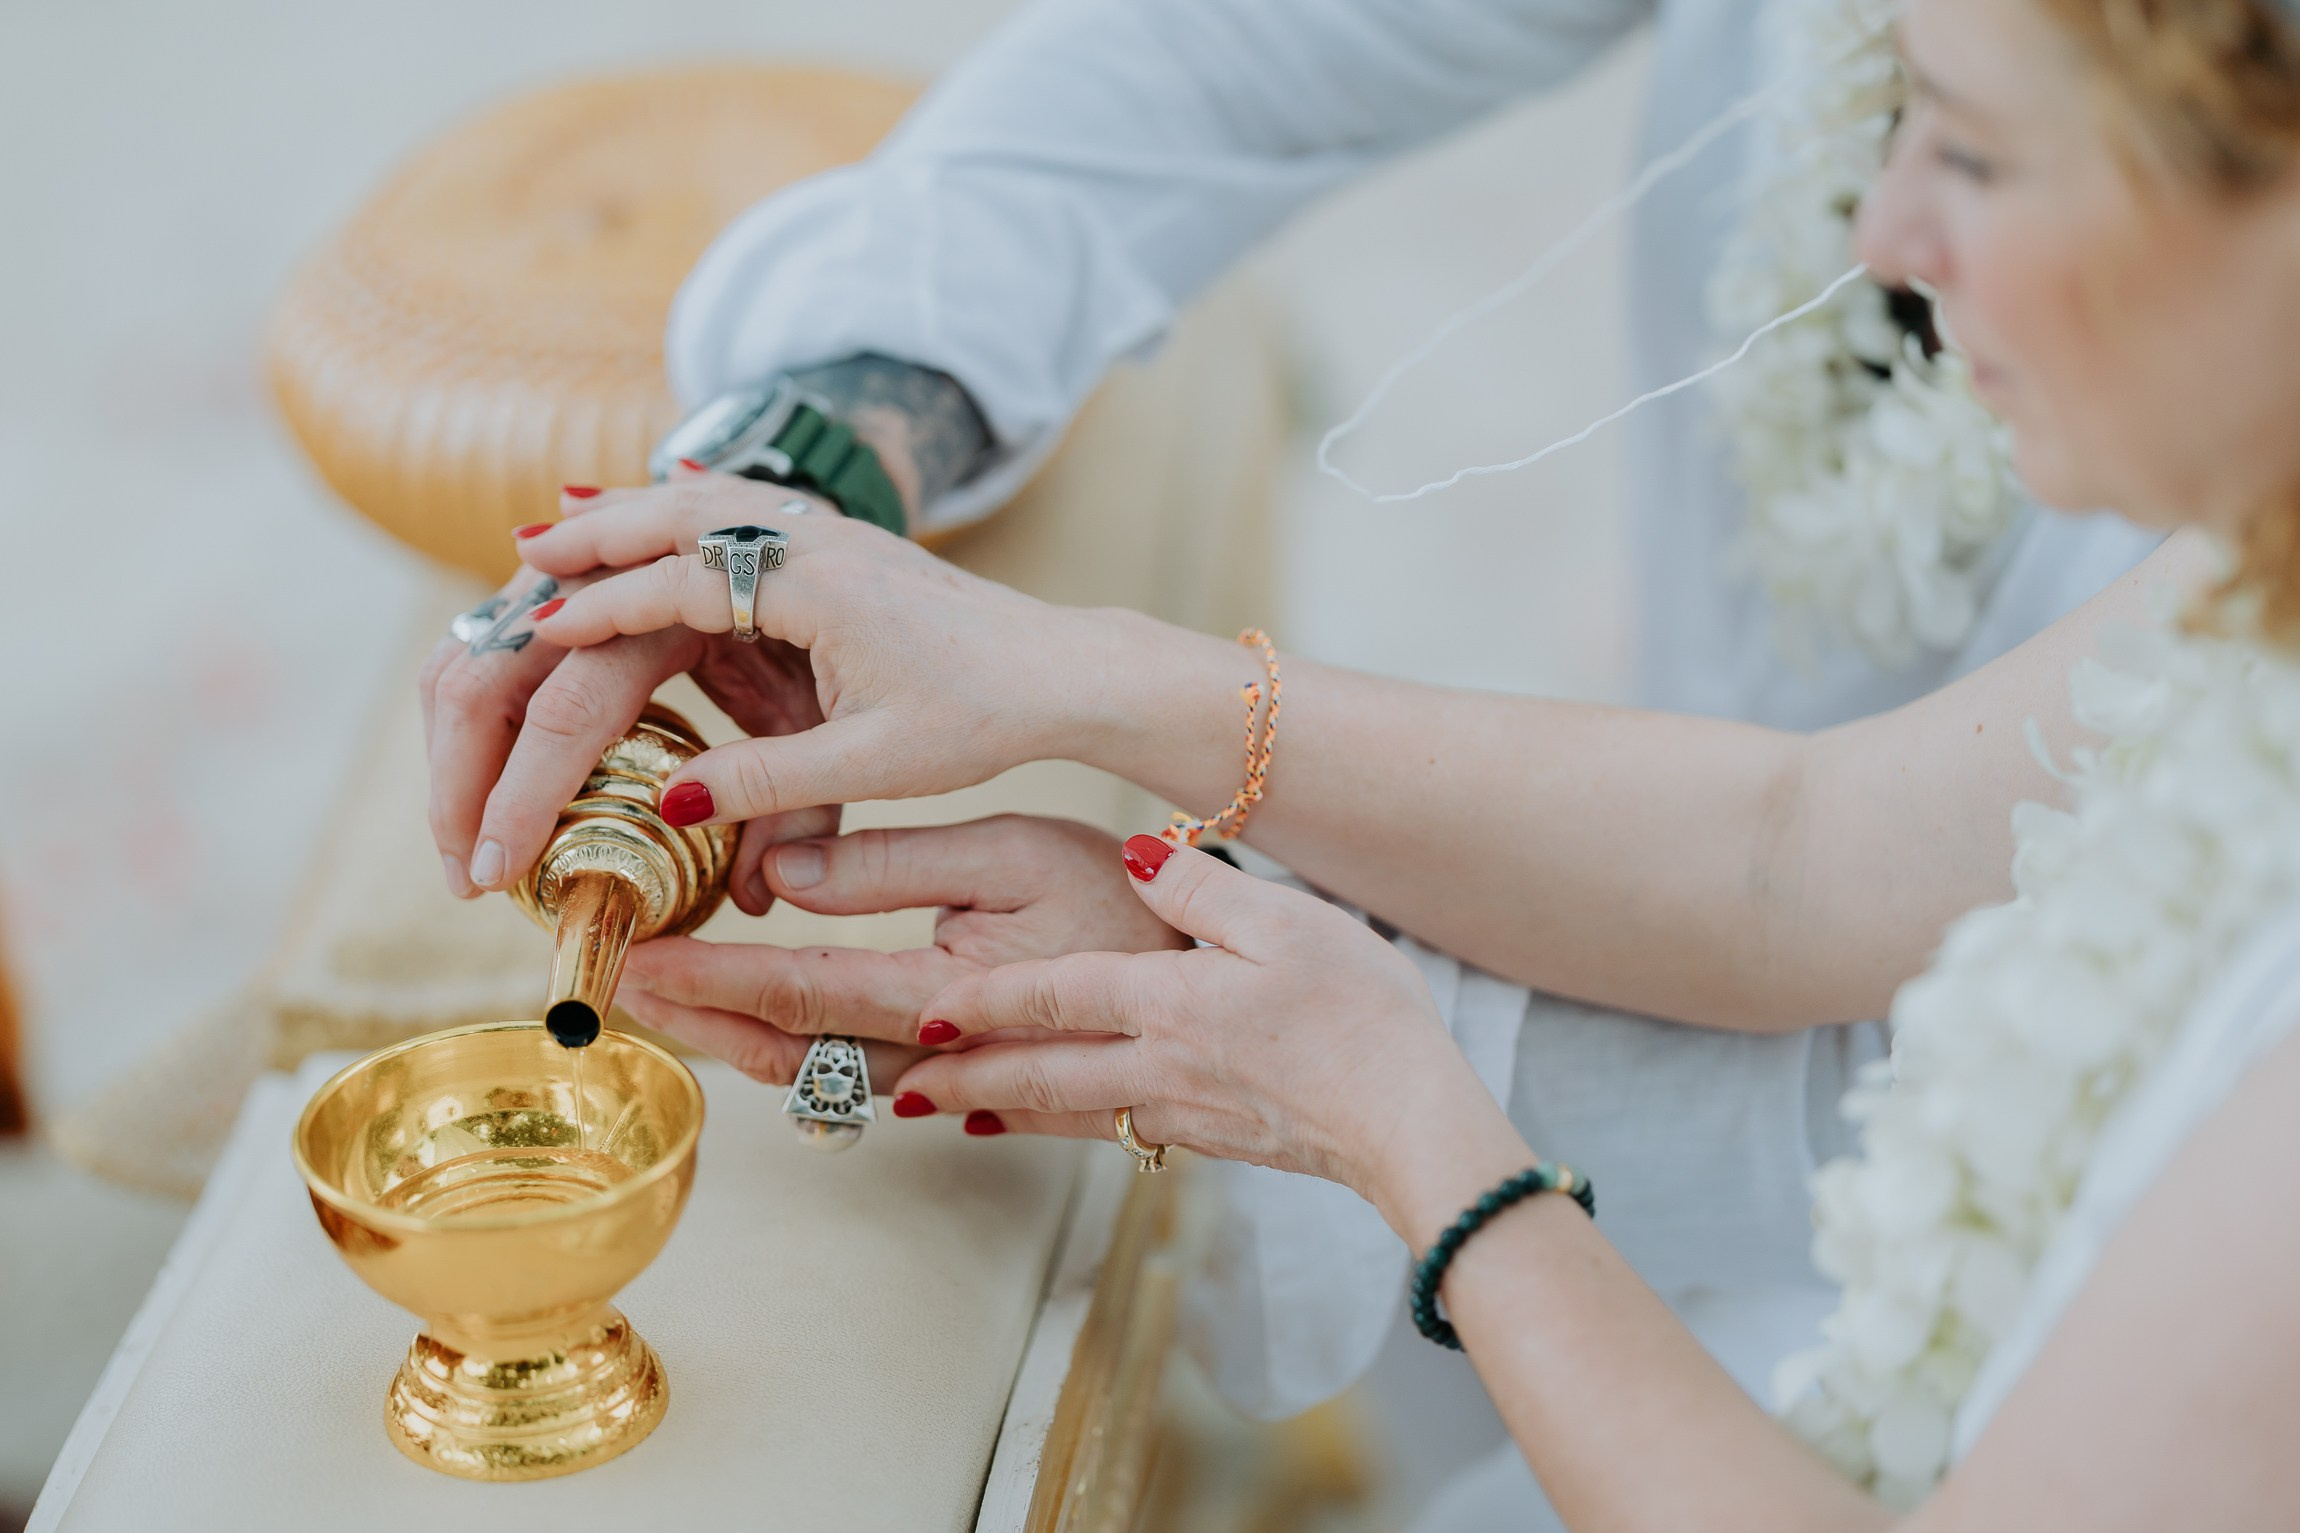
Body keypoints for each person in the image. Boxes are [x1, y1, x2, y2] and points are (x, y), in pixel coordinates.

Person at [496, 0, 2300, 1520]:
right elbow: (1802, 855)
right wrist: (1057, 668)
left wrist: (1410, 1115)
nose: (1882, 224)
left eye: (1972, 147)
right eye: (1887, 97)